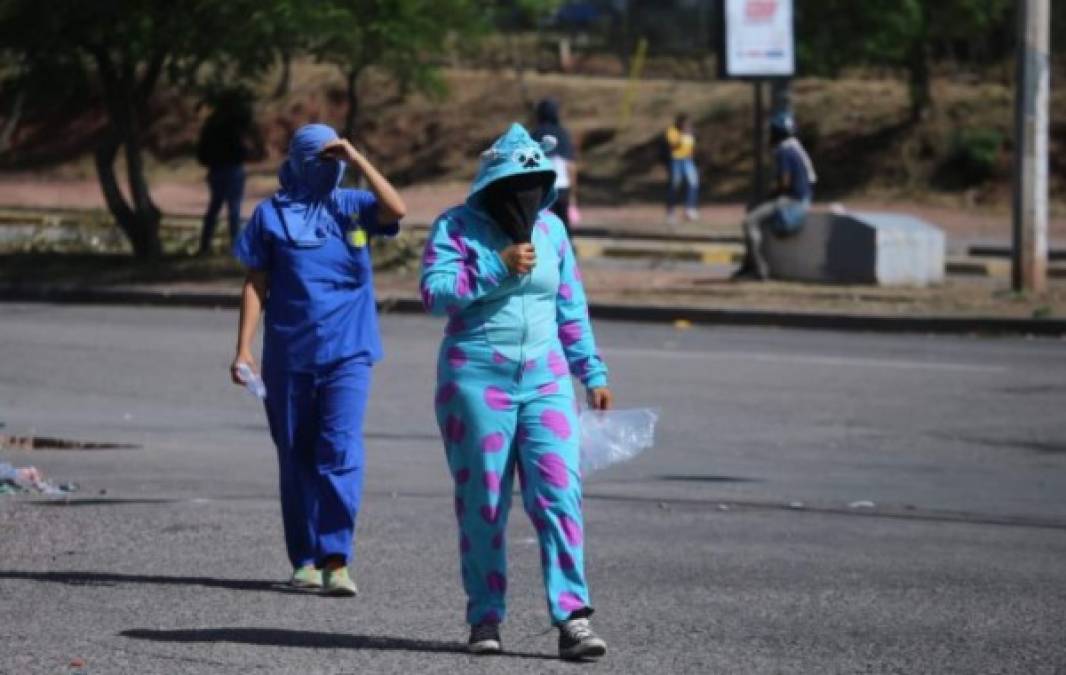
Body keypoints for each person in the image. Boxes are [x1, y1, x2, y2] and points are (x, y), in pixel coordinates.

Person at [420, 123, 612, 661]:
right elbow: (434, 295)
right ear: (491, 186)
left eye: (534, 185)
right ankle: (485, 616)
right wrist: (493, 266)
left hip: (545, 383)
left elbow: (569, 305)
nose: (524, 197)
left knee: (558, 496)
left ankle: (573, 617)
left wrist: (591, 372)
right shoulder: (456, 227)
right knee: (483, 504)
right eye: (514, 186)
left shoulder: (551, 231)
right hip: (476, 383)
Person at [231, 123, 406, 595]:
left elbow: (397, 208)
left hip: (349, 352)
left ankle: (335, 557)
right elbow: (256, 283)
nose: (330, 170)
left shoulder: (353, 207)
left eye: (336, 162)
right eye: (322, 161)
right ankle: (304, 558)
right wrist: (243, 346)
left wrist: (358, 156)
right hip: (289, 355)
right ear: (299, 163)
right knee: (296, 454)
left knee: (341, 450)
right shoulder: (270, 215)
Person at [733, 111, 817, 280]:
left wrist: (770, 197)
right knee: (754, 210)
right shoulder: (795, 147)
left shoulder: (783, 151)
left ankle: (758, 269)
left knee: (749, 222)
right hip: (802, 198)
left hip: (791, 201)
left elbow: (784, 184)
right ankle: (748, 264)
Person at [197, 89, 261, 256]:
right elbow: (246, 134)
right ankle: (236, 246)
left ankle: (205, 245)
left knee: (214, 208)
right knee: (234, 209)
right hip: (232, 168)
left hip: (215, 169)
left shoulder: (212, 123)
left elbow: (202, 151)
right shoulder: (234, 123)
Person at [531, 98, 579, 237]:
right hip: (562, 186)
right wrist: (574, 194)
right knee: (563, 225)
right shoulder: (563, 134)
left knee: (541, 225)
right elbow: (570, 165)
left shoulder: (535, 133)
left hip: (542, 187)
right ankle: (566, 252)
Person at [665, 113, 699, 226]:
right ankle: (671, 212)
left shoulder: (690, 132)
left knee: (693, 182)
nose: (687, 125)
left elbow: (692, 146)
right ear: (680, 123)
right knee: (675, 185)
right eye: (685, 123)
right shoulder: (672, 131)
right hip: (676, 160)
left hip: (688, 160)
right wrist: (682, 135)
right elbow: (673, 146)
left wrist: (692, 153)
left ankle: (689, 208)